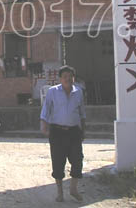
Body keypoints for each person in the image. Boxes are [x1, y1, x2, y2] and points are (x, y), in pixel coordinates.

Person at [40, 65, 86, 202]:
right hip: (57, 132)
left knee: (77, 160)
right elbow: (46, 109)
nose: (68, 79)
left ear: (74, 78)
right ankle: (60, 192)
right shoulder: (53, 92)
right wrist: (44, 126)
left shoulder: (78, 92)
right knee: (58, 161)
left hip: (74, 131)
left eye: (70, 76)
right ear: (60, 78)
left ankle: (73, 189)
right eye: (65, 76)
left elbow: (82, 112)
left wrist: (83, 130)